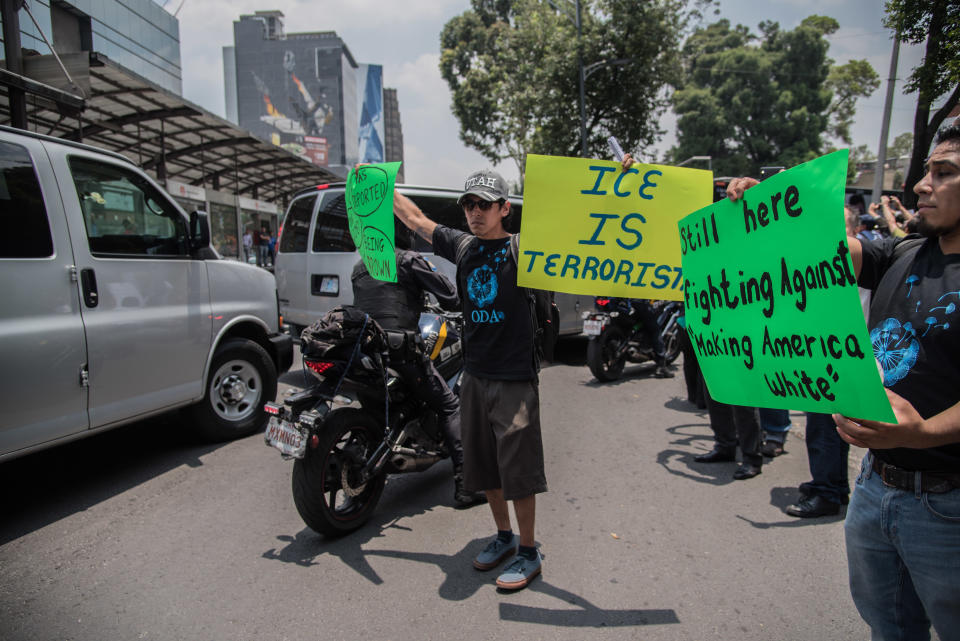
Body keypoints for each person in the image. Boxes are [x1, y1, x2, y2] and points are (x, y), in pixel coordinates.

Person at [725, 122, 960, 640]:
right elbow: (815, 249)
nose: (922, 184)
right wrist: (768, 204)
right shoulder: (904, 253)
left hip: (948, 507)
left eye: (944, 173)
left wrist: (920, 435)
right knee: (889, 628)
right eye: (926, 171)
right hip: (876, 487)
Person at [393, 169, 548, 591]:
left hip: (515, 377)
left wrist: (622, 179)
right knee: (485, 465)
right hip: (475, 376)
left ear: (504, 209)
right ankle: (503, 537)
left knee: (519, 470)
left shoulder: (526, 248)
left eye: (483, 204)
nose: (474, 212)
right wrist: (379, 189)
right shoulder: (463, 247)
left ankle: (529, 550)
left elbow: (583, 233)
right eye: (468, 204)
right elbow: (416, 220)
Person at [350, 222, 485, 508]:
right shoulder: (408, 259)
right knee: (449, 405)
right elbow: (450, 296)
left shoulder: (360, 266)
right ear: (403, 234)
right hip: (401, 352)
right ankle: (466, 486)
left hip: (367, 353)